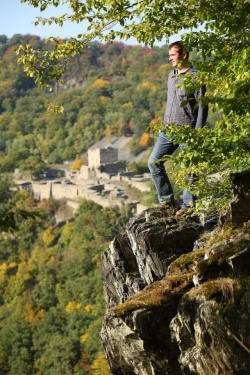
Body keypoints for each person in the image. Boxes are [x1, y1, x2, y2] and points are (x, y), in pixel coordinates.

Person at [148, 41, 208, 210]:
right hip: (167, 131)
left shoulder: (196, 77)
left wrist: (197, 133)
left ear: (184, 55)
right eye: (169, 56)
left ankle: (188, 207)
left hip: (187, 132)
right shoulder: (171, 75)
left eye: (173, 55)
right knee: (153, 162)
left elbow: (203, 107)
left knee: (190, 169)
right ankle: (167, 201)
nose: (170, 59)